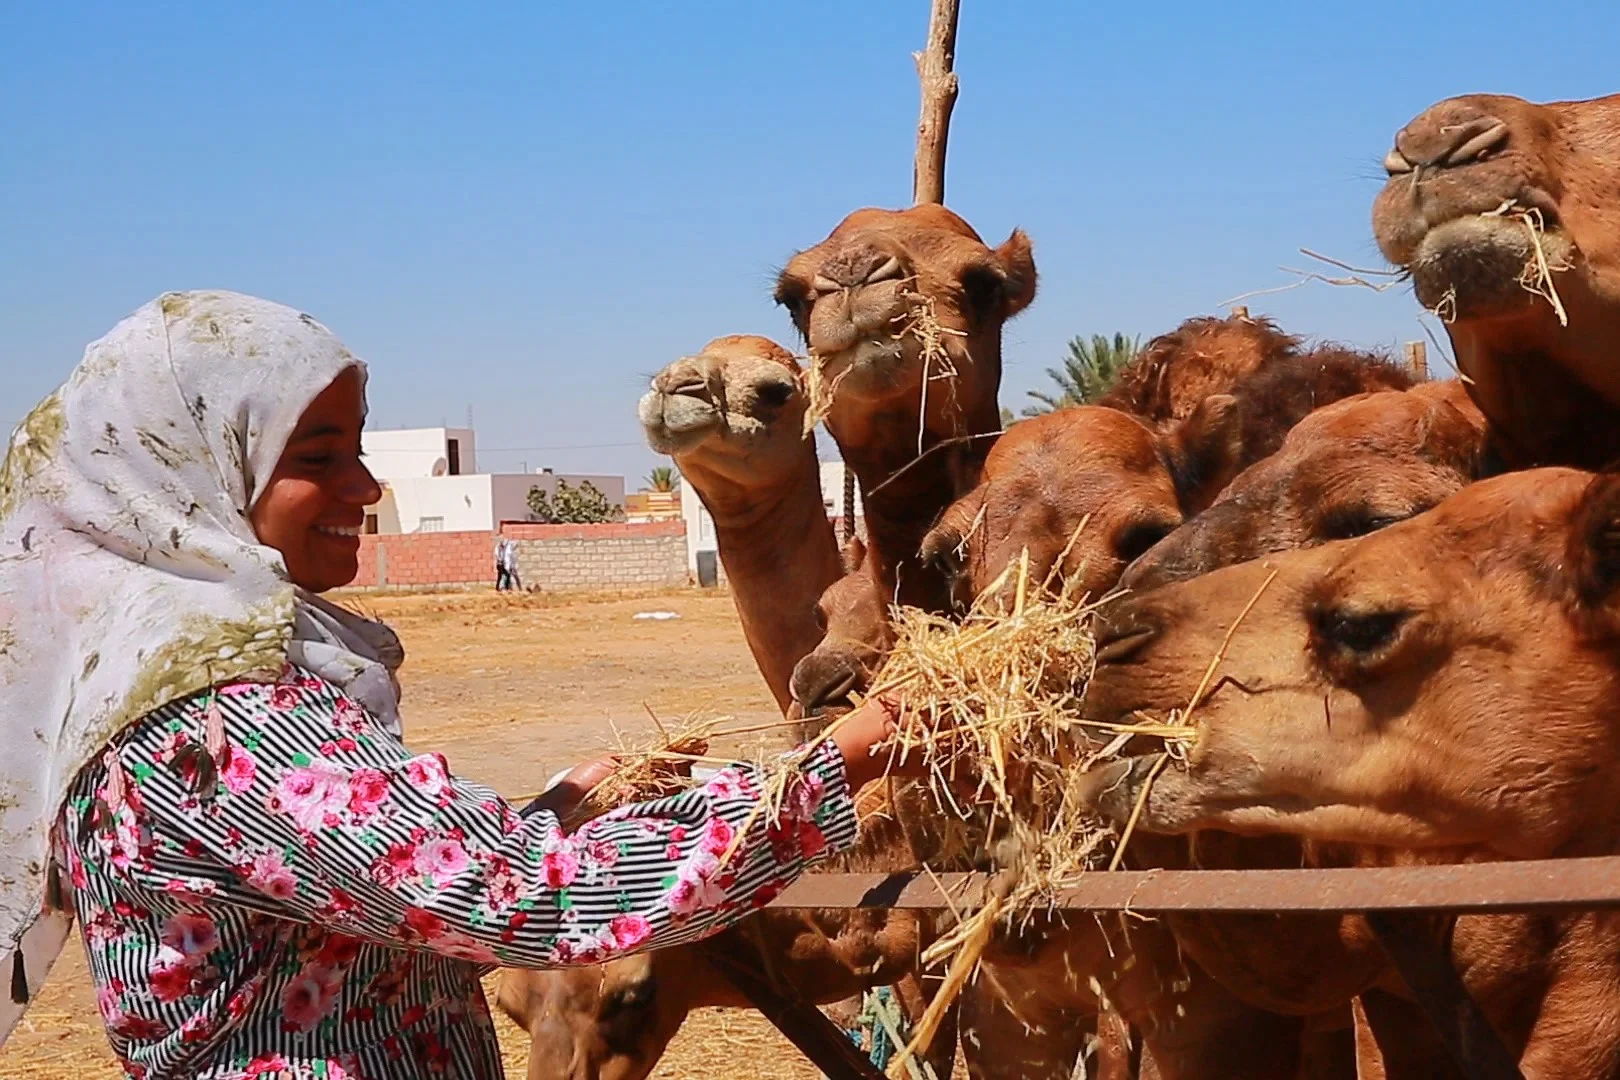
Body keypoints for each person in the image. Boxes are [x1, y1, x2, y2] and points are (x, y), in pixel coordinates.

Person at [0, 292, 917, 1079]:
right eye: (315, 457)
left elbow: (361, 899)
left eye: (357, 448)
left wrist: (551, 812)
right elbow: (522, 896)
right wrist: (847, 755)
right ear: (192, 476)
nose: (364, 485)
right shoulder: (222, 719)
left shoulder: (146, 679)